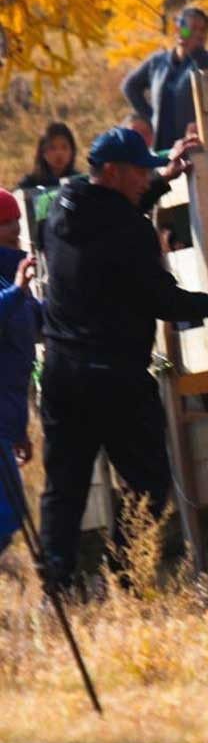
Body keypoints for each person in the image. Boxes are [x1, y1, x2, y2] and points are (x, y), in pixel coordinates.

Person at [36, 128, 208, 590]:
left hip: (61, 371)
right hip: (114, 377)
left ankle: (56, 585)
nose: (142, 179)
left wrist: (160, 180)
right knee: (148, 485)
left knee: (65, 487)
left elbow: (108, 218)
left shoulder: (61, 206)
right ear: (110, 172)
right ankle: (124, 579)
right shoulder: (131, 230)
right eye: (137, 172)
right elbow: (160, 299)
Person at [121, 5, 208, 151]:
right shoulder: (158, 62)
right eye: (191, 28)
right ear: (179, 29)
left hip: (194, 148)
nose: (197, 34)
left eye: (202, 30)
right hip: (161, 149)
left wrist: (197, 53)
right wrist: (151, 117)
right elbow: (129, 87)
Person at [0, 191, 38, 557]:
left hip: (5, 425)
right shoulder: (10, 286)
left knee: (8, 518)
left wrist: (18, 431)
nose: (15, 228)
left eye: (15, 220)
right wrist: (16, 291)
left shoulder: (10, 280)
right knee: (4, 516)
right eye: (6, 222)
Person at [17, 122, 78, 192]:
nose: (59, 153)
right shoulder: (29, 183)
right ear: (43, 151)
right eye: (52, 148)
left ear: (72, 151)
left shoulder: (78, 182)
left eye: (64, 147)